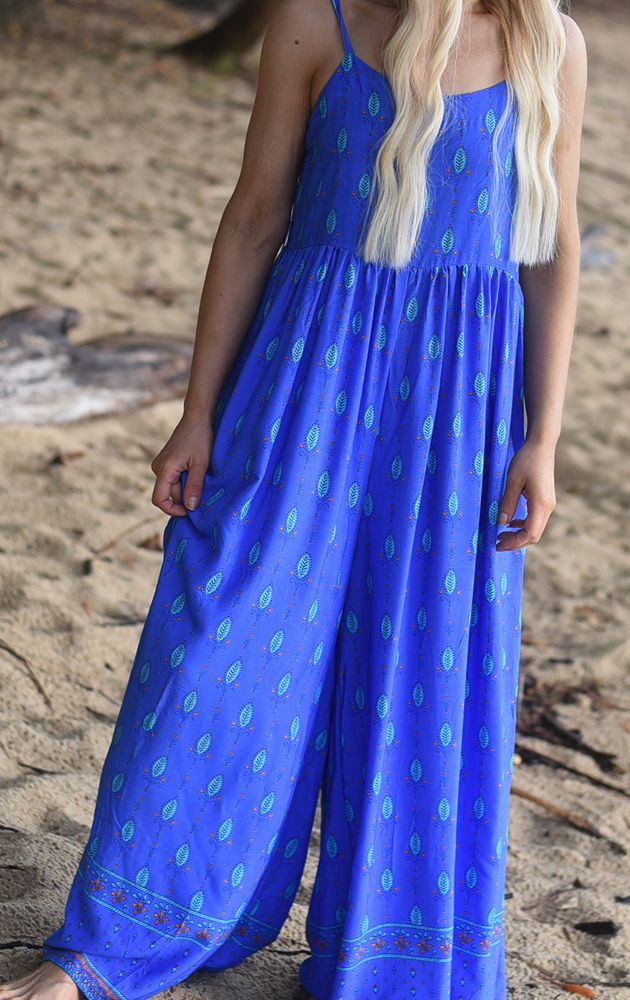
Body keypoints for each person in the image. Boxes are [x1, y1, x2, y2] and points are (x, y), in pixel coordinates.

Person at [0, 0, 587, 998]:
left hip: (459, 415)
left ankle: (389, 958)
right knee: (219, 638)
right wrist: (197, 412)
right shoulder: (316, 24)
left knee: (421, 670)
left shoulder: (549, 44)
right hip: (306, 380)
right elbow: (253, 218)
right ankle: (111, 942)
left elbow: (551, 249)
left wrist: (542, 438)